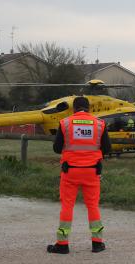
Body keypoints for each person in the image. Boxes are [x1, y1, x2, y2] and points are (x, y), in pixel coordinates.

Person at [47, 96, 111, 254]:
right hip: (92, 171)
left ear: (74, 108)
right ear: (88, 108)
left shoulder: (65, 123)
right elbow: (107, 148)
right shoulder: (100, 124)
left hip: (70, 172)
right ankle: (97, 243)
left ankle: (62, 244)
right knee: (93, 206)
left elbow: (56, 148)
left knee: (67, 206)